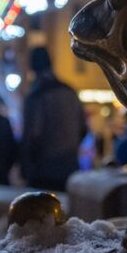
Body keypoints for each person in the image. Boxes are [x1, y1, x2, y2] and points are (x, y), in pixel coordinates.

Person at [19, 47, 86, 191]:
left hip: (43, 171)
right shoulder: (70, 92)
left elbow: (32, 136)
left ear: (32, 67)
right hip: (70, 167)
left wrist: (26, 167)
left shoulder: (36, 97)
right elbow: (83, 129)